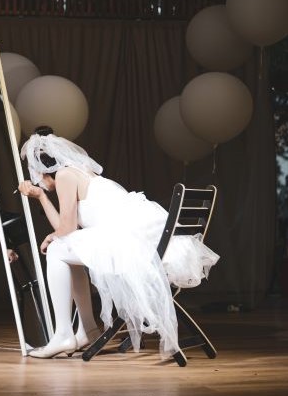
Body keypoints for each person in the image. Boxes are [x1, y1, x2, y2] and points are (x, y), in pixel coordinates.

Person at [17, 127, 219, 359]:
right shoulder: (82, 172)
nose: (36, 180)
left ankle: (64, 333)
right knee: (65, 249)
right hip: (143, 242)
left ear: (43, 168)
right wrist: (42, 197)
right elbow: (68, 231)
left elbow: (66, 229)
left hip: (129, 245)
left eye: (35, 172)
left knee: (56, 249)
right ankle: (87, 331)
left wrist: (49, 228)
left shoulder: (64, 176)